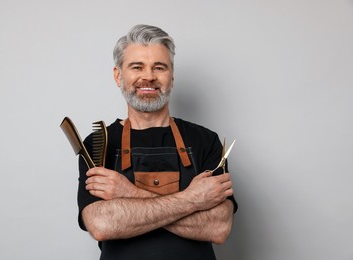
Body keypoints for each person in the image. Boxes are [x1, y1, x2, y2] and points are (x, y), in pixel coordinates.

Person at [77, 24, 238, 260]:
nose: (149, 76)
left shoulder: (206, 141)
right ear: (118, 75)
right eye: (137, 67)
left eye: (159, 67)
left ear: (171, 76)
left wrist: (127, 192)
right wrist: (193, 199)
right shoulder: (98, 143)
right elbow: (102, 224)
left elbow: (218, 227)